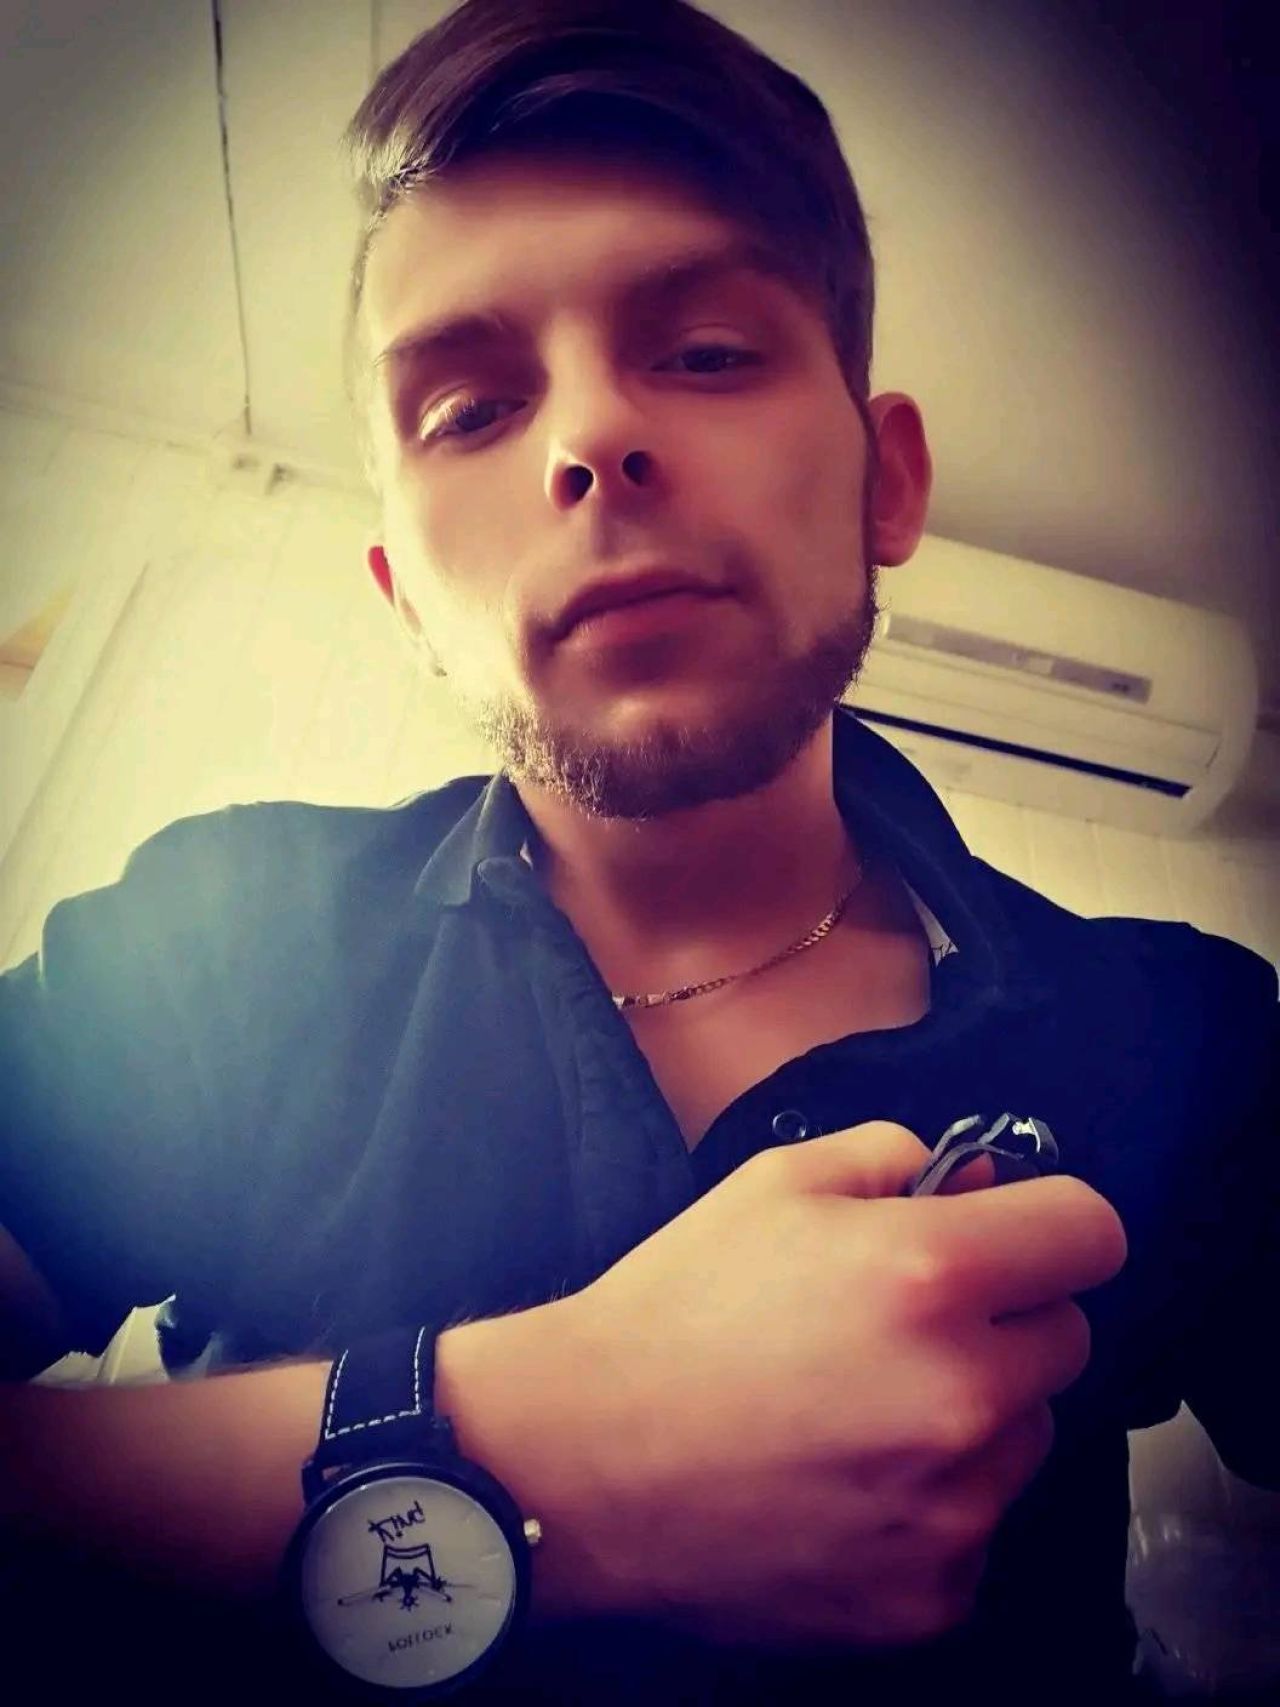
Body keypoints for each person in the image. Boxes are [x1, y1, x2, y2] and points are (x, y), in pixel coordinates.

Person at [0, 2, 1275, 1702]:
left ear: (887, 485)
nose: (589, 441)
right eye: (471, 407)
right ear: (403, 600)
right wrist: (532, 1443)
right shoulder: (207, 941)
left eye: (710, 354)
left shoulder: (1188, 1034)